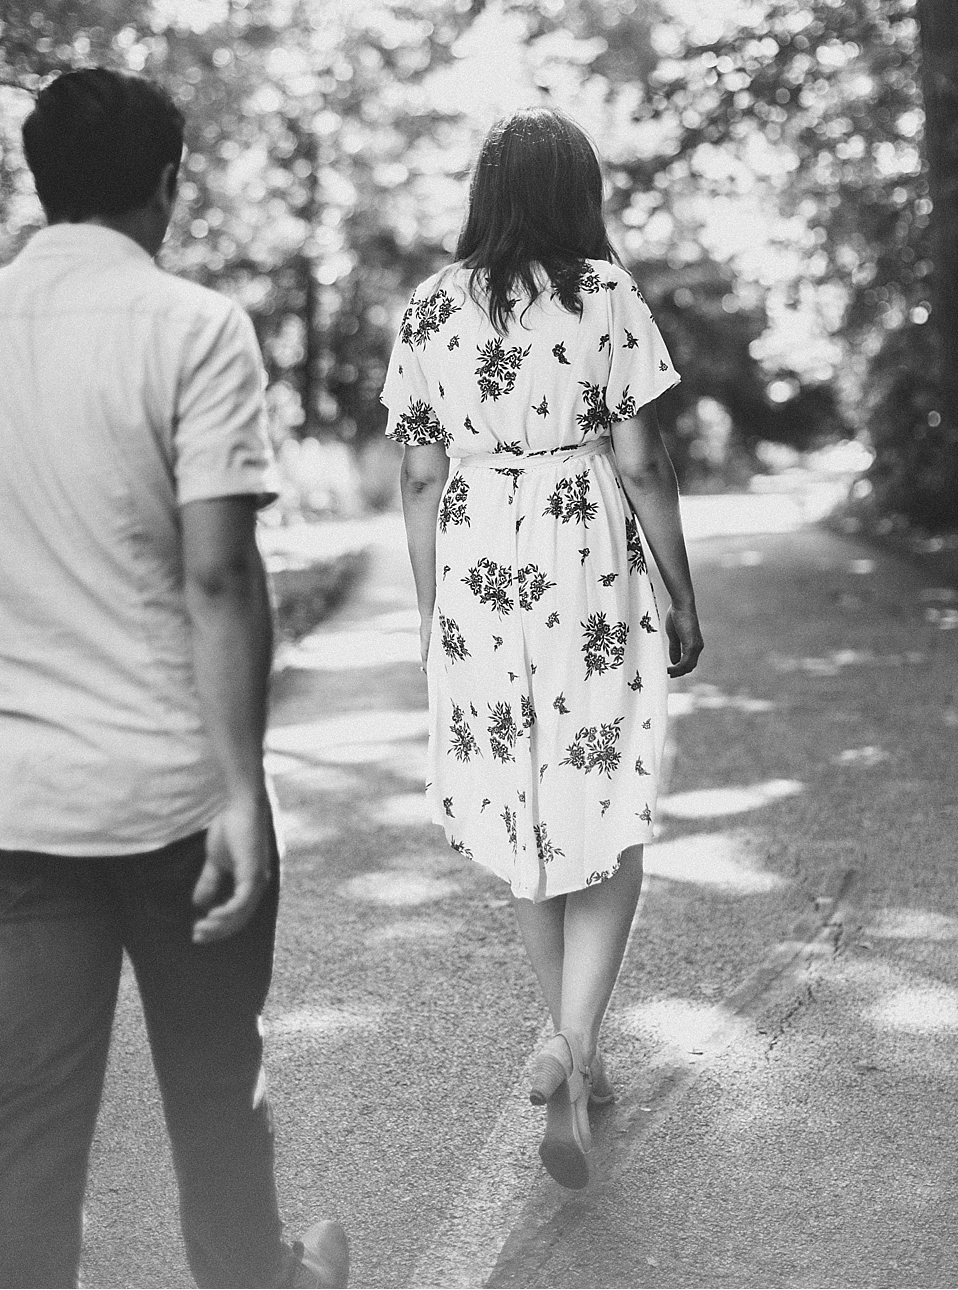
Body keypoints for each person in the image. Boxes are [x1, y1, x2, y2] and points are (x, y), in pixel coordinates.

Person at [0, 68, 348, 1290]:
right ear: (167, 184)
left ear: (41, 182)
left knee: (29, 1117)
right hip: (168, 794)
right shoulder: (196, 326)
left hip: (10, 798)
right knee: (214, 1087)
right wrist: (242, 792)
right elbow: (219, 578)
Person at [382, 107, 703, 1189]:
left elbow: (420, 478)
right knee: (604, 792)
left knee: (524, 797)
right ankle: (571, 1044)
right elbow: (643, 459)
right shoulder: (602, 293)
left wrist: (435, 616)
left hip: (479, 557)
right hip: (582, 548)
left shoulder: (429, 307)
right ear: (578, 191)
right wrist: (680, 588)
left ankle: (572, 1044)